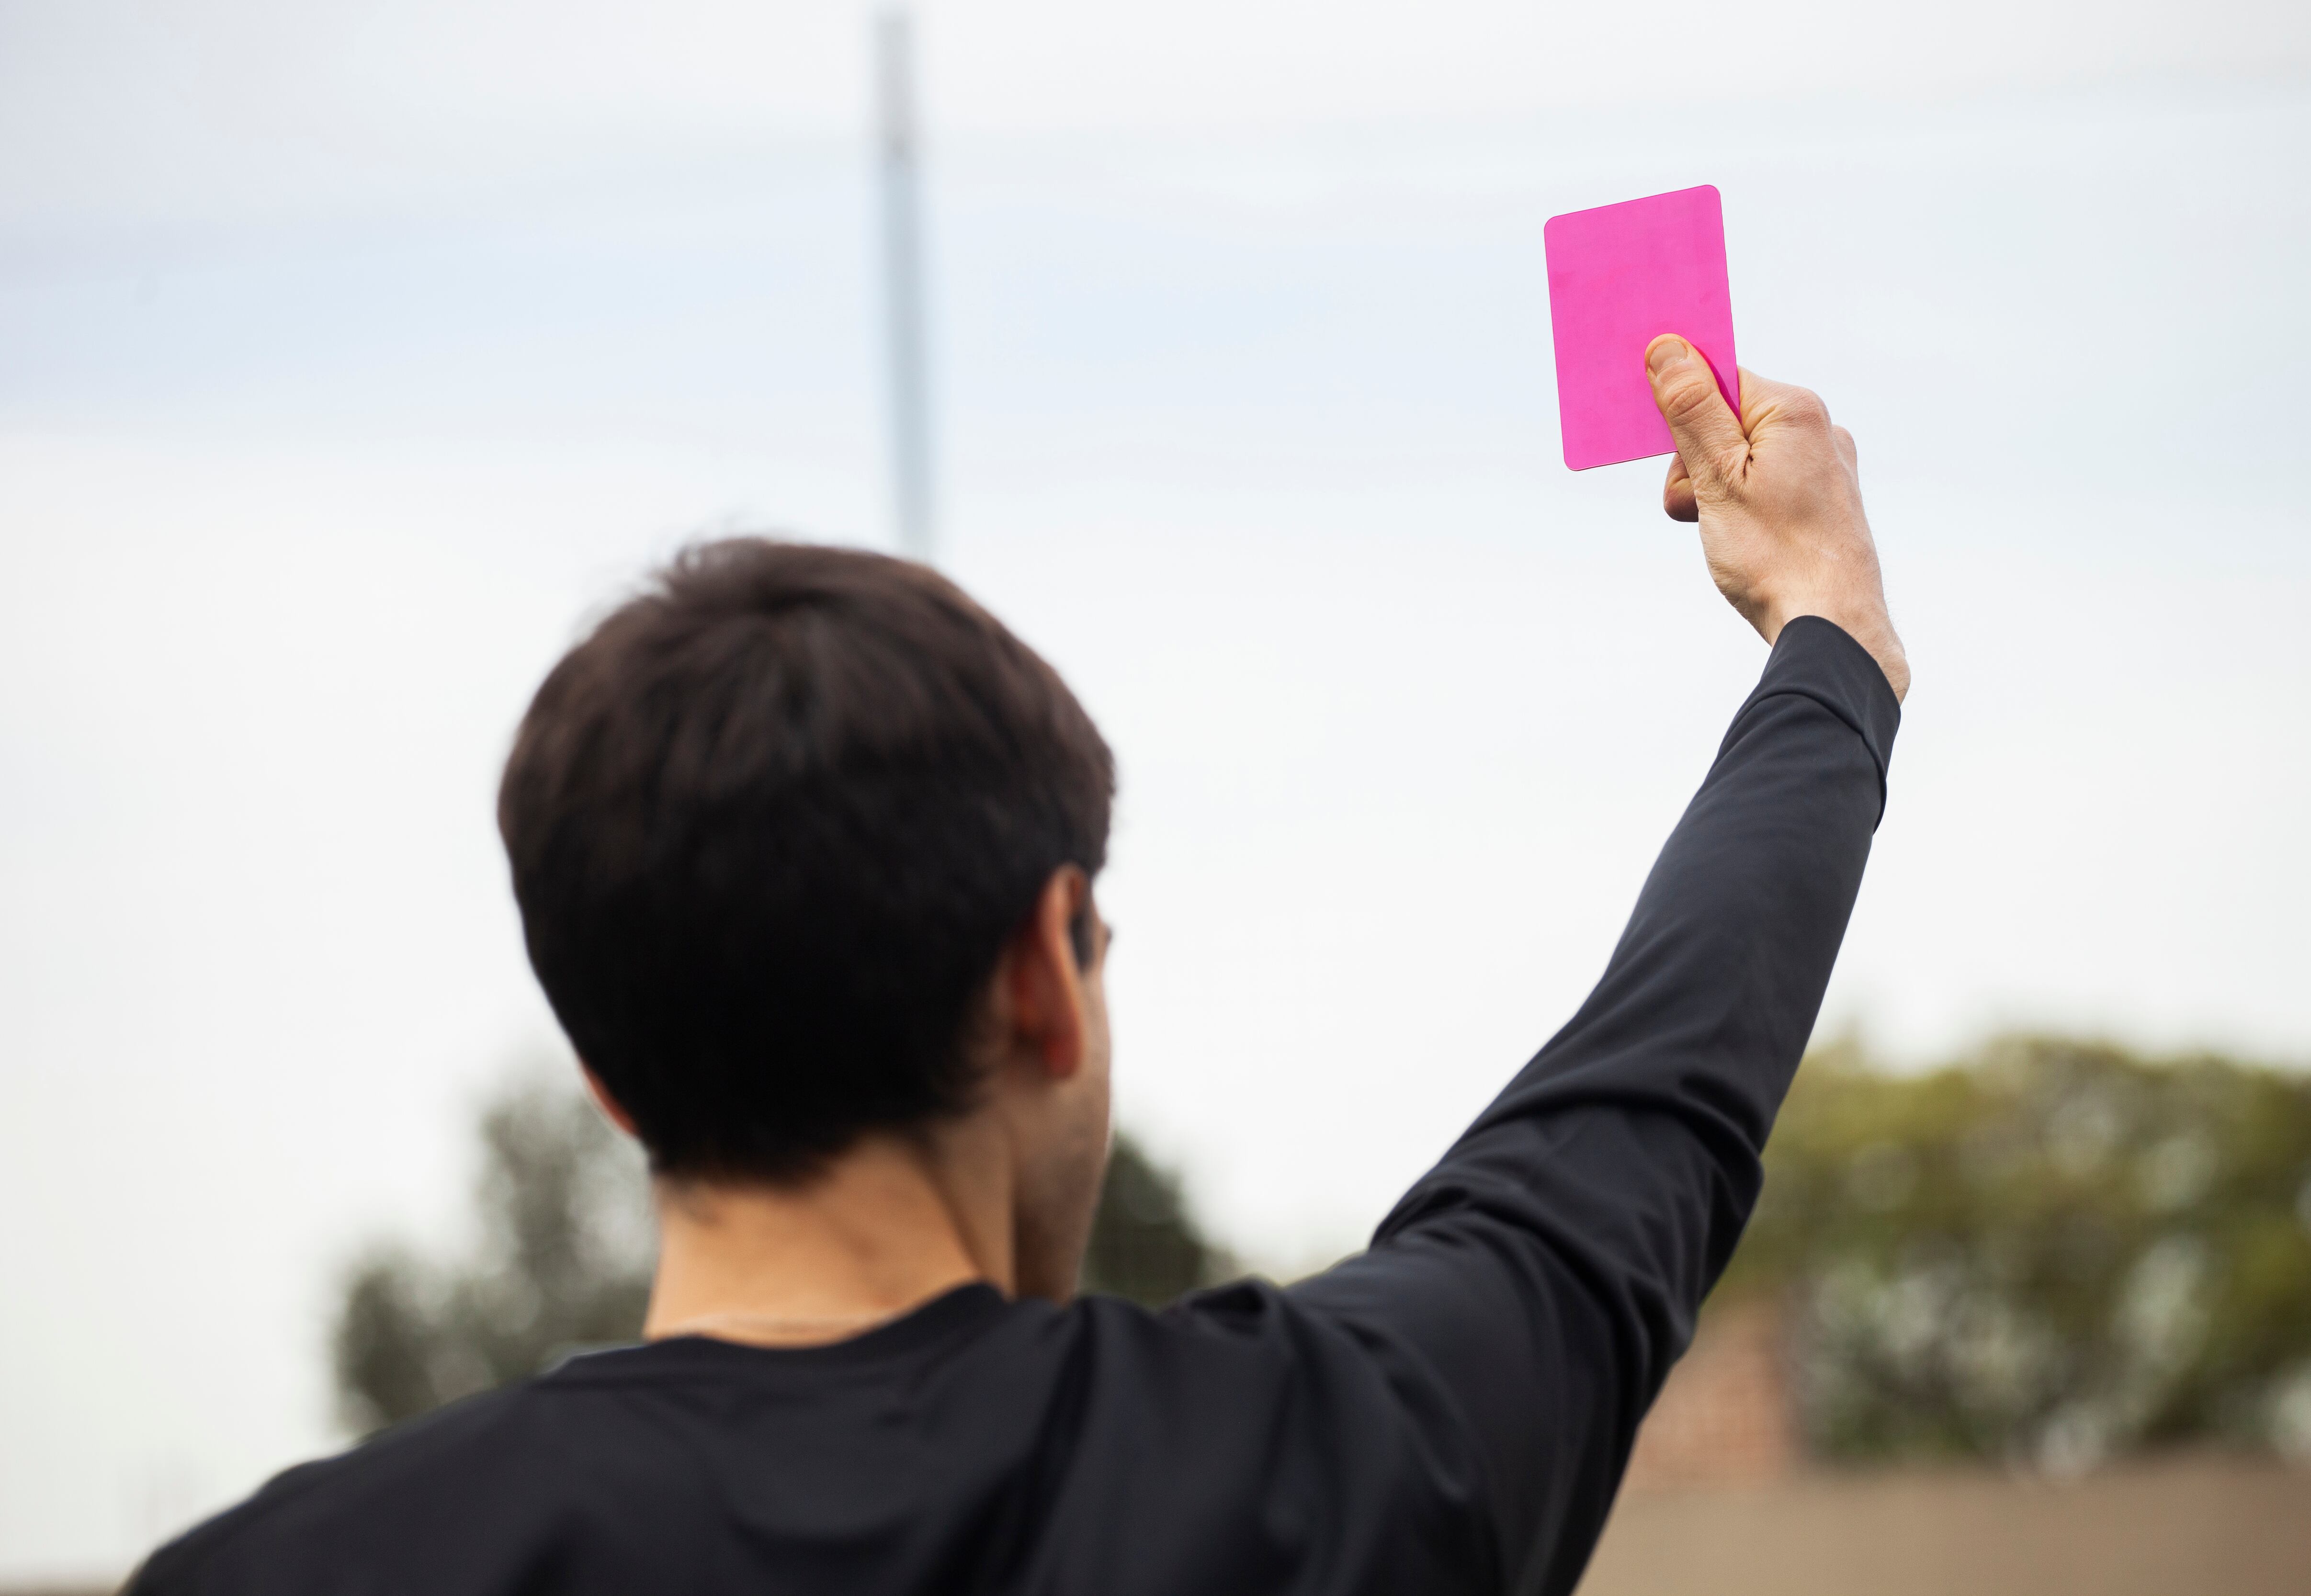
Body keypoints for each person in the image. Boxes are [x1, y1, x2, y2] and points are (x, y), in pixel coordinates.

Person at [129, 338, 1907, 1596]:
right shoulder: (1328, 1474)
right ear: (1046, 978)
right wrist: (1827, 630)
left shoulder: (279, 1573)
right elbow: (1645, 1119)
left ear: (610, 1072)